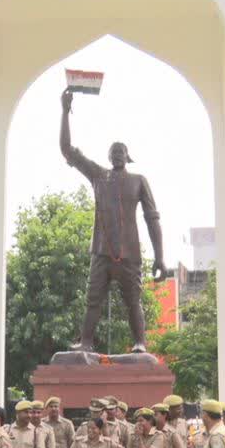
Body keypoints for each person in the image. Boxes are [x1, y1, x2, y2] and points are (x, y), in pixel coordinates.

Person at [60, 89, 166, 353]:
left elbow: (152, 219)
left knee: (133, 300)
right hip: (101, 252)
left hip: (129, 254)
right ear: (109, 157)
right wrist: (65, 111)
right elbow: (67, 149)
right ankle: (86, 341)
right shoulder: (98, 176)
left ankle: (140, 342)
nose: (117, 153)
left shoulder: (139, 180)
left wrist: (160, 256)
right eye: (113, 151)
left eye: (122, 151)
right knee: (92, 299)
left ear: (128, 156)